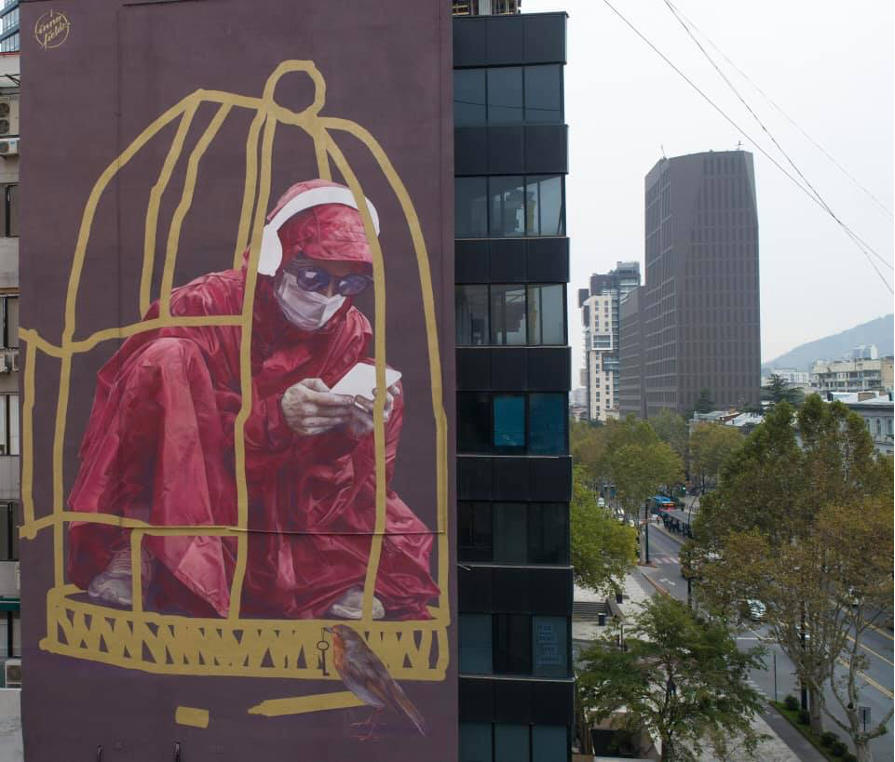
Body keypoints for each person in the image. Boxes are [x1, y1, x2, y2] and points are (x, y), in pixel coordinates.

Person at [67, 179, 439, 621]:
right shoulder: (202, 307)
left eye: (349, 283)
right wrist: (275, 418)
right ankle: (139, 549)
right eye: (313, 276)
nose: (327, 297)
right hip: (193, 485)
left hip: (279, 498)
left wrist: (349, 435)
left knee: (382, 393)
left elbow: (326, 473)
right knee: (163, 358)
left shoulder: (349, 330)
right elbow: (173, 432)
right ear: (275, 258)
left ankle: (317, 571)